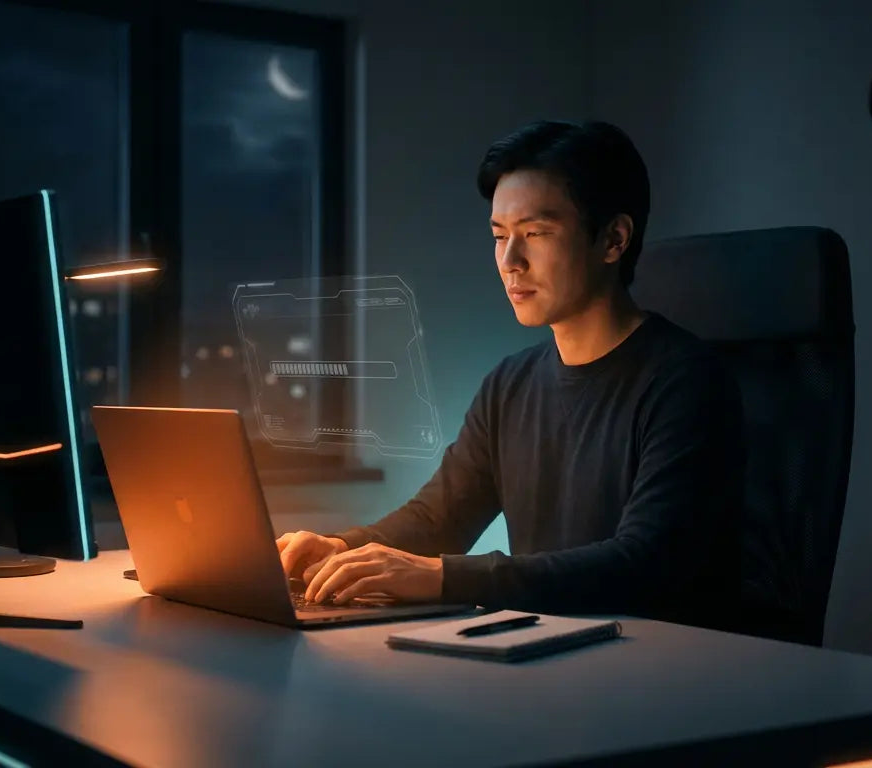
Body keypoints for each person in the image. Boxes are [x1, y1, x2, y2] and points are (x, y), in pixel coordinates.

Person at [278, 120, 756, 630]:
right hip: (553, 658)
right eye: (500, 236)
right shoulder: (510, 385)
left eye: (535, 234)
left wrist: (441, 577)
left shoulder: (687, 383)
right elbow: (439, 520)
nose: (510, 261)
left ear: (614, 239)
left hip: (665, 669)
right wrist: (341, 547)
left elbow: (641, 564)